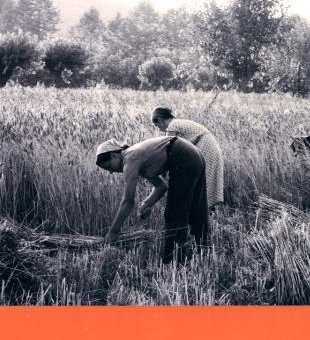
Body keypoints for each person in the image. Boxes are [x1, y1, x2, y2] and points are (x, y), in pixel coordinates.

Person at [95, 136, 209, 264]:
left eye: (108, 167)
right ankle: (205, 252)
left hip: (183, 155)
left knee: (175, 213)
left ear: (114, 155)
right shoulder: (136, 156)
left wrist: (113, 232)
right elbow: (161, 186)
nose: (110, 172)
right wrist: (147, 203)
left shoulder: (130, 160)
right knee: (197, 208)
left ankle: (173, 262)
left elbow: (128, 201)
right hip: (192, 153)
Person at [151, 107, 224, 210]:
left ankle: (204, 214)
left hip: (205, 147)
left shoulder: (172, 125)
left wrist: (159, 171)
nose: (158, 128)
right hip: (209, 146)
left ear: (159, 119)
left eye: (156, 125)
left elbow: (168, 150)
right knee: (204, 183)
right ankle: (206, 214)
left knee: (202, 183)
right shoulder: (178, 122)